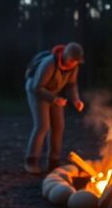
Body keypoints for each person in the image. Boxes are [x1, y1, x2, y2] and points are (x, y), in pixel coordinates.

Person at [24, 42, 85, 174]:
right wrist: (54, 99)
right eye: (72, 60)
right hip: (36, 91)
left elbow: (72, 85)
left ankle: (53, 162)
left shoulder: (74, 67)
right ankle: (31, 161)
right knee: (42, 126)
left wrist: (76, 100)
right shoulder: (49, 64)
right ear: (65, 55)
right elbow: (36, 87)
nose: (74, 63)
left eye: (76, 62)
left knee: (58, 126)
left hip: (53, 92)